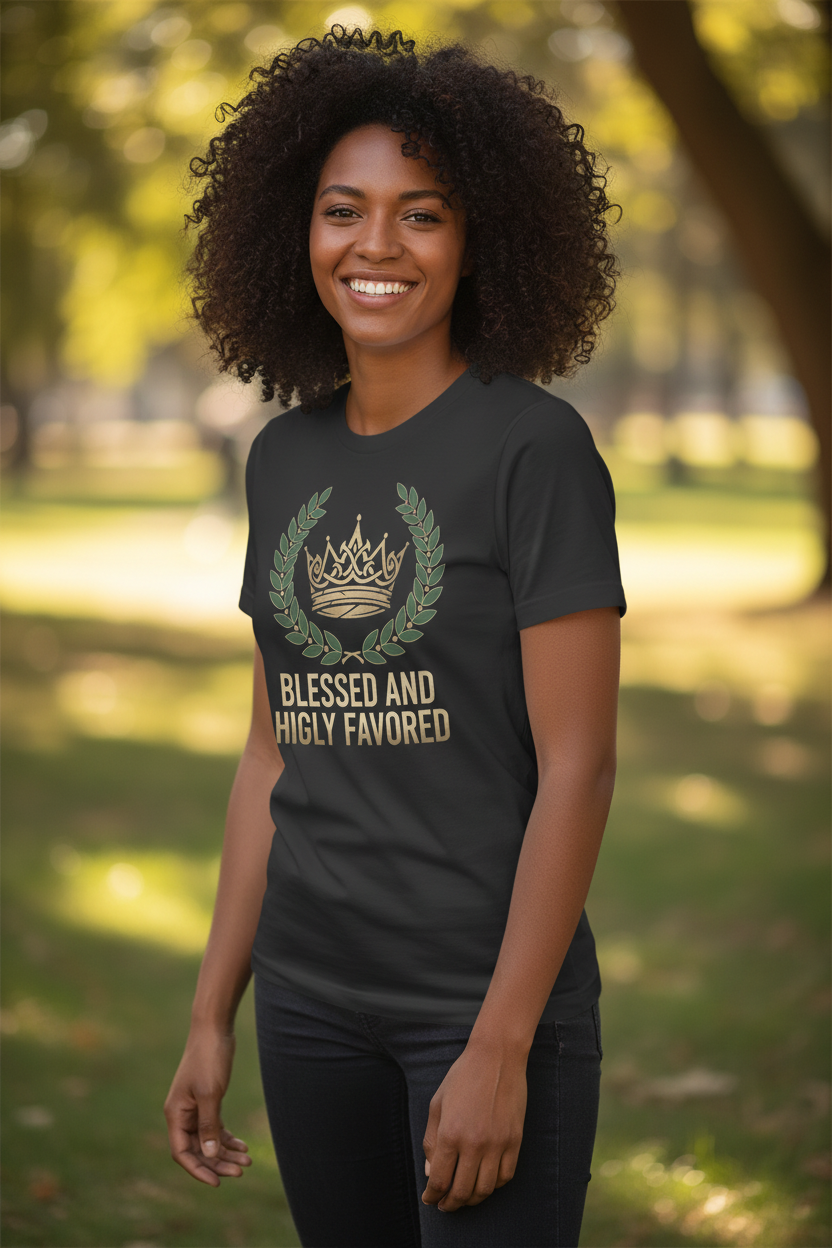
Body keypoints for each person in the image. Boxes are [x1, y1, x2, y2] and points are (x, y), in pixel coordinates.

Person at [164, 25, 626, 1248]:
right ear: (294, 233)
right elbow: (272, 756)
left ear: (478, 243)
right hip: (310, 1002)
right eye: (342, 211)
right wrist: (216, 1011)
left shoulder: (534, 450)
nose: (375, 246)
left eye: (421, 215)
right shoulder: (284, 457)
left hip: (473, 1005)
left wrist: (498, 1044)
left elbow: (578, 769)